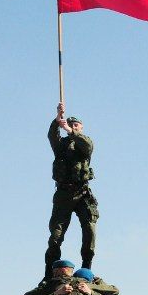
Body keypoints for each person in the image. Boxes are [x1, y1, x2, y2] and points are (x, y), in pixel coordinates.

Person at [45, 104, 97, 277]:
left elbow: (87, 147)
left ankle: (86, 268)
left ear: (80, 128)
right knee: (56, 235)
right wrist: (57, 119)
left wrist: (70, 130)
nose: (72, 126)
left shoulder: (85, 142)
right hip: (64, 194)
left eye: (76, 125)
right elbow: (52, 136)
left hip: (82, 193)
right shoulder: (61, 145)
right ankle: (50, 272)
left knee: (89, 229)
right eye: (70, 124)